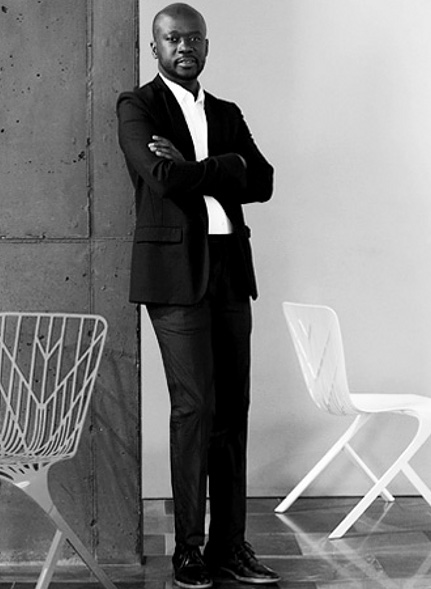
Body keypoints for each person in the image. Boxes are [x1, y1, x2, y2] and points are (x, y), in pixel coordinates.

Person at [117, 3, 279, 587]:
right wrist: (224, 168)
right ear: (154, 47)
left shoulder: (227, 111)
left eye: (194, 39)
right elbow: (161, 178)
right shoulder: (137, 106)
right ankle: (188, 550)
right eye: (172, 39)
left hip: (231, 274)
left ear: (207, 47)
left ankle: (229, 547)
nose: (184, 47)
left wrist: (201, 166)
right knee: (195, 408)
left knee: (232, 413)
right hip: (175, 279)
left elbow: (261, 181)